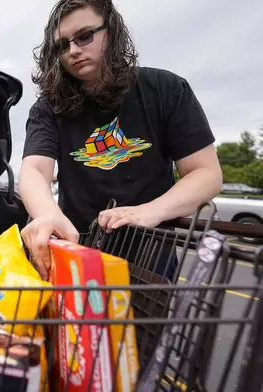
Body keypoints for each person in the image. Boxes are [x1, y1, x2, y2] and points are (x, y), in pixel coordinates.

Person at [19, 0, 223, 280]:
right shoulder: (48, 108)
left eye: (84, 36)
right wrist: (46, 214)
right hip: (75, 255)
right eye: (63, 45)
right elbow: (34, 171)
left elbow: (206, 174)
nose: (74, 50)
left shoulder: (167, 90)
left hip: (150, 260)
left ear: (111, 32)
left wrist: (149, 212)